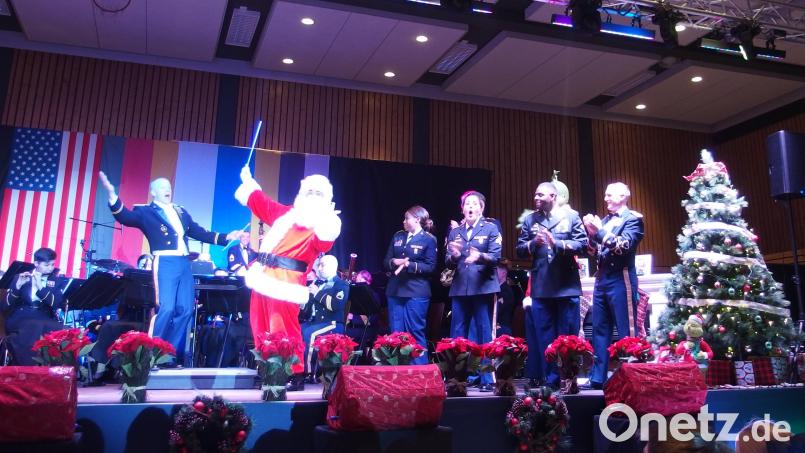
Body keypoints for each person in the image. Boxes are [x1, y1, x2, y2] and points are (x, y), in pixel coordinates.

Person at [98, 172, 240, 367]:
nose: (168, 190)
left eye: (169, 187)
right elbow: (125, 217)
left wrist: (225, 237)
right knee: (167, 308)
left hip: (183, 263)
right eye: (163, 187)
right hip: (165, 261)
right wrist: (113, 196)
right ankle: (150, 353)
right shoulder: (146, 212)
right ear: (153, 192)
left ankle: (166, 354)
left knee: (186, 309)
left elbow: (199, 232)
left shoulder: (180, 211)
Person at [234, 166, 341, 384]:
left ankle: (294, 372)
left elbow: (324, 242)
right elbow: (263, 205)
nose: (312, 196)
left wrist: (328, 222)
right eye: (309, 192)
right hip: (262, 275)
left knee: (283, 328)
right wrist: (248, 182)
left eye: (318, 193)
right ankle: (268, 368)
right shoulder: (287, 213)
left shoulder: (322, 224)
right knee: (260, 326)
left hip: (286, 280)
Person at [516, 181, 588, 389]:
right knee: (544, 336)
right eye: (535, 195)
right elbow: (520, 249)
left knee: (567, 336)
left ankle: (568, 377)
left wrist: (556, 243)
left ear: (553, 197)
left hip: (566, 285)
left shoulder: (572, 217)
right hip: (541, 286)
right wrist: (533, 243)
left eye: (541, 195)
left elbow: (582, 245)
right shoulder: (531, 220)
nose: (536, 198)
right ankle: (550, 380)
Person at [583, 182, 645, 389]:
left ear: (623, 196)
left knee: (626, 328)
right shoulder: (604, 221)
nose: (606, 199)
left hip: (621, 277)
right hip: (602, 279)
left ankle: (630, 375)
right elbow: (592, 251)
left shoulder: (633, 219)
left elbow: (624, 247)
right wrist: (590, 233)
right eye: (606, 195)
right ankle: (598, 378)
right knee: (600, 328)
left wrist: (599, 232)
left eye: (610, 195)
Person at [445, 191, 501, 392]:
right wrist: (454, 255)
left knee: (485, 333)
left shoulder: (491, 228)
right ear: (462, 209)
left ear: (481, 208)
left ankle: (487, 378)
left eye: (473, 204)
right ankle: (458, 378)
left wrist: (479, 257)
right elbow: (448, 261)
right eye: (466, 204)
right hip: (460, 288)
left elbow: (496, 257)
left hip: (483, 287)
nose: (469, 207)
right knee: (458, 334)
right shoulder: (455, 232)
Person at [383, 205, 438, 365]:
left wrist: (410, 265)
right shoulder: (398, 236)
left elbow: (431, 267)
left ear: (417, 219)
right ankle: (398, 371)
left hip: (416, 291)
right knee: (396, 332)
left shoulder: (428, 239)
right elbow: (386, 262)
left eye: (407, 218)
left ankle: (420, 372)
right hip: (395, 290)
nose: (404, 221)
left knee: (415, 331)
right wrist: (394, 262)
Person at [2, 248, 64, 365]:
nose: (51, 268)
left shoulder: (56, 280)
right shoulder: (20, 277)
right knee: (34, 325)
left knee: (61, 329)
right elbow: (5, 306)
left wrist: (41, 287)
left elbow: (55, 304)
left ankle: (52, 372)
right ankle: (29, 369)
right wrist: (17, 287)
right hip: (21, 316)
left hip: (43, 315)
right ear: (36, 263)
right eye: (47, 265)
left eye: (52, 264)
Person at [297, 255, 350, 389]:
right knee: (297, 330)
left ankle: (307, 373)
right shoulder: (317, 283)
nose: (319, 268)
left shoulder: (341, 284)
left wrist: (317, 293)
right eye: (318, 265)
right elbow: (309, 310)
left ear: (333, 267)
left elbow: (335, 306)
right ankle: (295, 370)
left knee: (309, 334)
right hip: (316, 322)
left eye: (322, 265)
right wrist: (303, 302)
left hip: (332, 323)